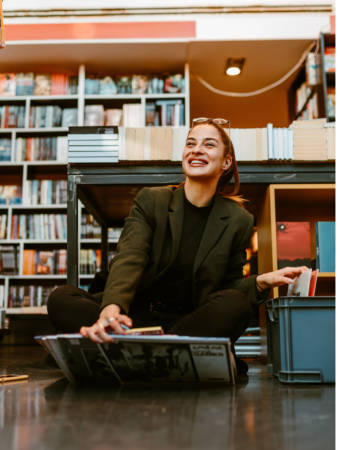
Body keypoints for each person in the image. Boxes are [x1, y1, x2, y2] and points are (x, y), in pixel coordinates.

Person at [48, 118, 307, 373]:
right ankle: (167, 358)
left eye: (208, 145)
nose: (196, 150)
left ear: (226, 162)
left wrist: (262, 281)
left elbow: (228, 288)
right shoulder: (152, 200)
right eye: (191, 143)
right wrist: (111, 311)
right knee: (61, 299)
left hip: (187, 322)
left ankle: (131, 355)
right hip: (132, 318)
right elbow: (130, 256)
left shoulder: (239, 220)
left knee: (236, 304)